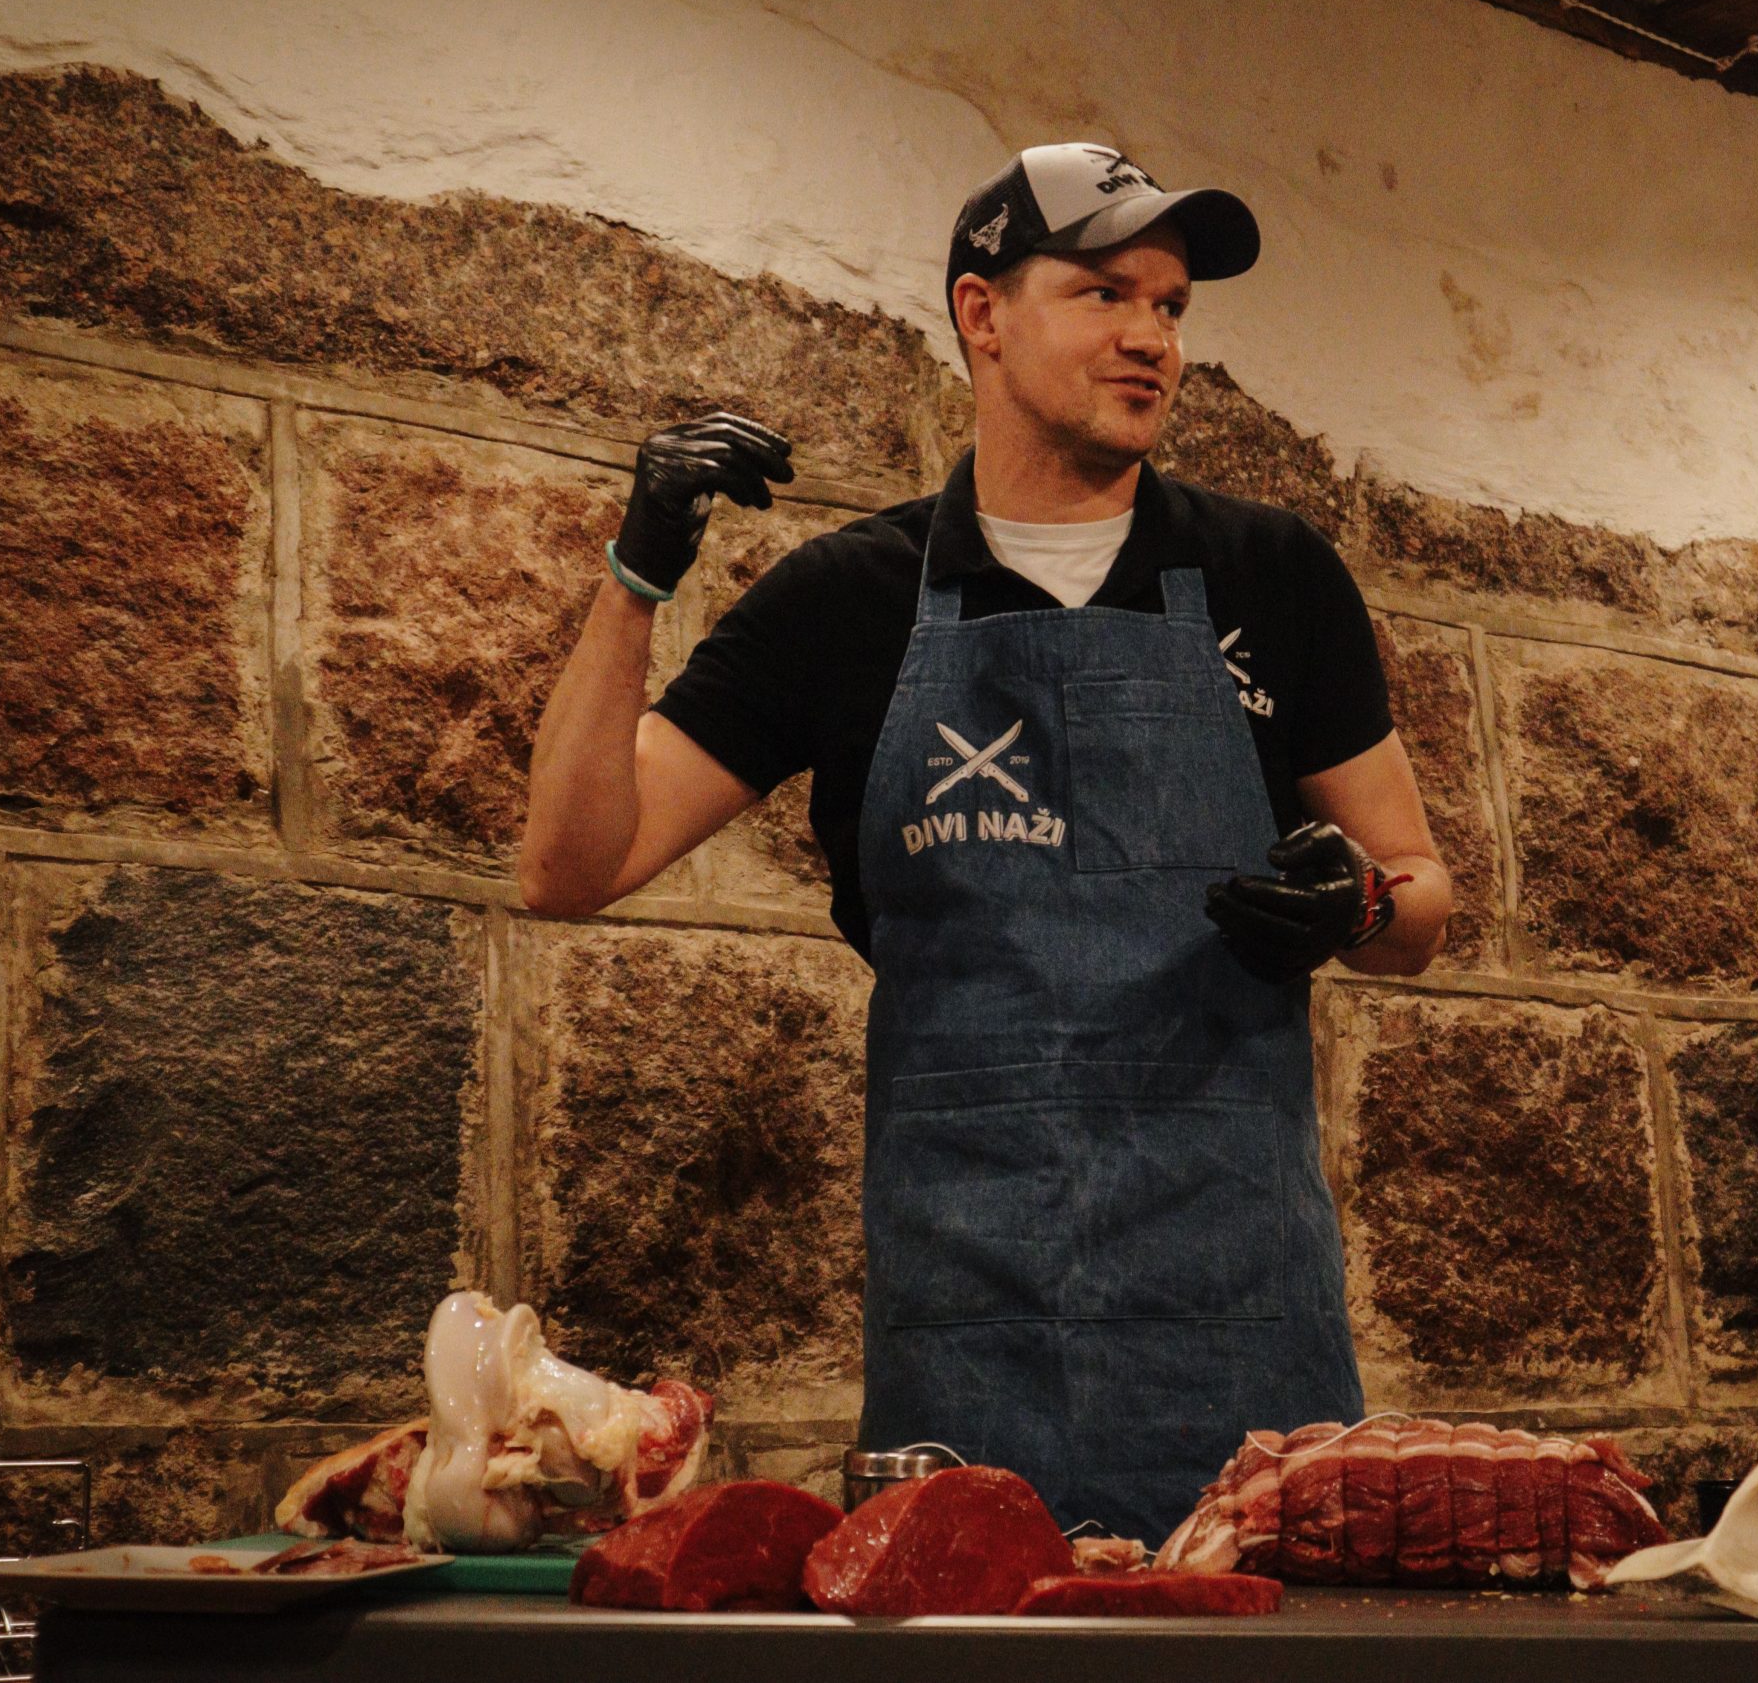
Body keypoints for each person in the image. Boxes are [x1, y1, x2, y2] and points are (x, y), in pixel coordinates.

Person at [518, 143, 1452, 1537]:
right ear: (982, 313)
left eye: (1172, 305)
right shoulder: (849, 599)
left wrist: (1357, 908)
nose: (1151, 337)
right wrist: (635, 577)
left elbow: (1421, 899)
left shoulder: (1273, 575)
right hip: (971, 1310)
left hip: (1240, 1304)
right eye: (1103, 293)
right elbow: (567, 868)